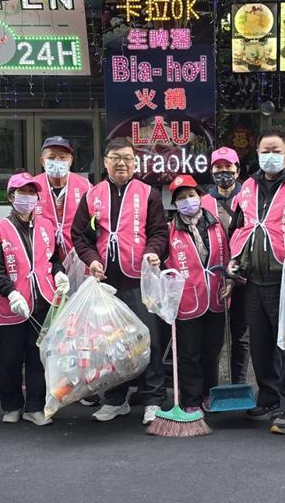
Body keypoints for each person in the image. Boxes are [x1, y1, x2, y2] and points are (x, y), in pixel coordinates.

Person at [226, 129, 285, 435]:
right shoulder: (247, 187)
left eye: (276, 151)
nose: (270, 156)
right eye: (265, 151)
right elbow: (239, 227)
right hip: (253, 279)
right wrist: (234, 259)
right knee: (260, 343)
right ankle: (269, 398)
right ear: (257, 154)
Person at [72, 137, 169, 425]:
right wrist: (91, 259)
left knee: (148, 340)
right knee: (110, 344)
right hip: (106, 284)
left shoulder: (148, 194)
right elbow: (80, 235)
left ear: (135, 162)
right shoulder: (92, 196)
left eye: (127, 158)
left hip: (140, 281)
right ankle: (115, 399)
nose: (121, 163)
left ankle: (153, 399)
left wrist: (153, 252)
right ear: (105, 162)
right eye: (115, 158)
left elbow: (159, 232)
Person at [0, 173, 68, 427]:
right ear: (11, 197)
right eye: (23, 193)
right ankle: (11, 405)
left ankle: (35, 407)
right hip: (11, 304)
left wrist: (59, 273)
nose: (28, 198)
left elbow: (53, 258)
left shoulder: (46, 226)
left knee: (37, 357)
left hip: (42, 302)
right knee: (9, 359)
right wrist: (11, 293)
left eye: (32, 193)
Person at [165, 175, 228, 412]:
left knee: (212, 349)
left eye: (191, 195)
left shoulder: (216, 224)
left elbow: (229, 254)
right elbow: (164, 266)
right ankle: (191, 400)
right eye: (181, 198)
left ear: (200, 196)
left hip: (216, 296)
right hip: (186, 300)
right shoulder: (170, 231)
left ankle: (209, 392)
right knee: (189, 353)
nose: (187, 201)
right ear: (175, 204)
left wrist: (232, 280)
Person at [208, 146, 249, 389]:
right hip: (214, 279)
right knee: (213, 338)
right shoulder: (203, 201)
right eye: (218, 167)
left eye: (228, 167)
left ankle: (239, 385)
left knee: (241, 336)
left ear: (237, 170)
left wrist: (237, 272)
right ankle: (211, 387)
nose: (223, 172)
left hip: (243, 279)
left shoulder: (249, 197)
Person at [33, 135, 92, 264]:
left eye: (62, 157)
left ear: (70, 160)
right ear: (42, 161)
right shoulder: (32, 187)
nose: (57, 161)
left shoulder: (86, 186)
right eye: (51, 157)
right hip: (43, 258)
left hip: (79, 257)